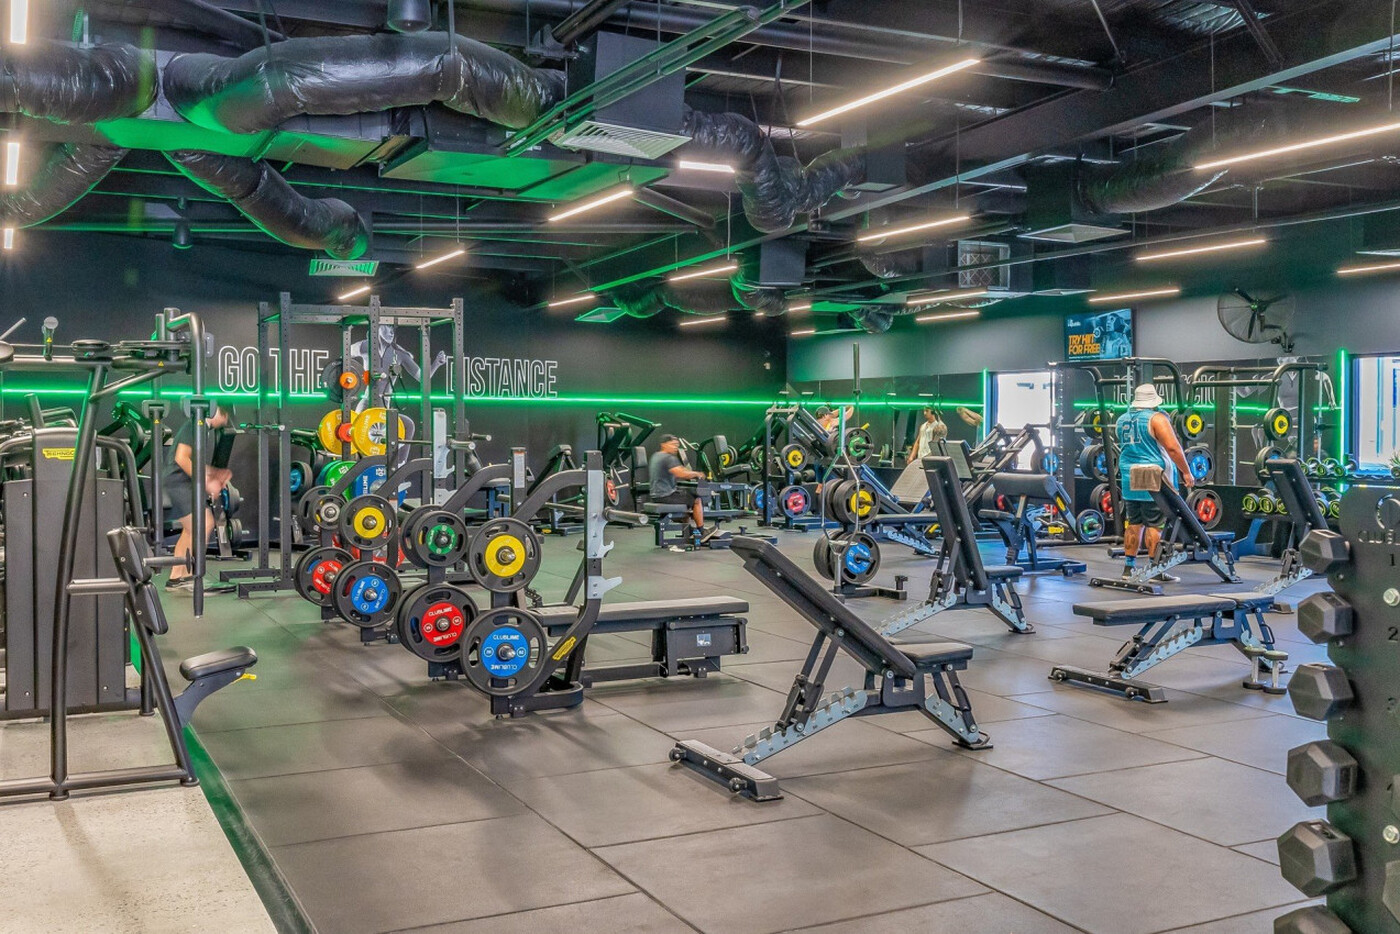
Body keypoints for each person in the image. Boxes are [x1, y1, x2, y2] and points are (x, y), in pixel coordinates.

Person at [1116, 383, 1194, 580]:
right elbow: (1173, 448)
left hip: (1129, 475)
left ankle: (1128, 569)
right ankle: (1155, 570)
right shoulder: (1157, 418)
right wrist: (1186, 472)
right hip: (1153, 476)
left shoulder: (1122, 419)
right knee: (1154, 525)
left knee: (1133, 523)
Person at [164, 404, 232, 591]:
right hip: (179, 482)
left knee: (190, 530)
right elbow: (181, 458)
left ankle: (177, 577)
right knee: (204, 523)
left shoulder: (201, 427)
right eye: (226, 417)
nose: (225, 422)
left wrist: (215, 474)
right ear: (219, 412)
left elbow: (193, 461)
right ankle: (190, 576)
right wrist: (207, 482)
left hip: (179, 482)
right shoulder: (196, 424)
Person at [648, 435, 717, 547]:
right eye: (673, 444)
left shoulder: (656, 456)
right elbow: (681, 473)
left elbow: (679, 469)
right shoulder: (668, 458)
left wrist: (686, 472)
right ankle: (702, 531)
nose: (675, 447)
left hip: (656, 496)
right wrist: (697, 474)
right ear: (664, 445)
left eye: (677, 445)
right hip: (666, 496)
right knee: (696, 499)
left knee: (685, 497)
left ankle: (687, 532)